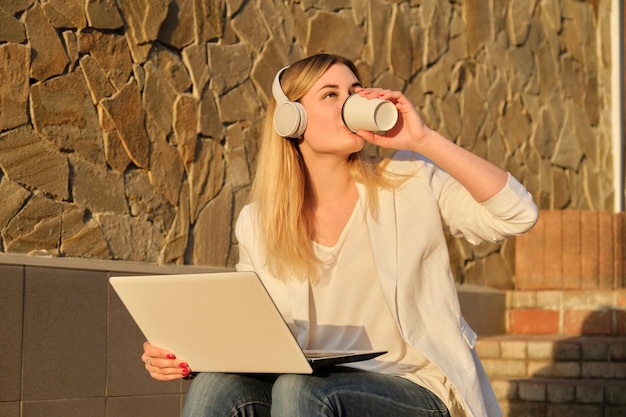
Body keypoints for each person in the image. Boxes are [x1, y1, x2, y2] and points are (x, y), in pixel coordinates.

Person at [141, 53, 538, 417]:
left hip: (417, 391)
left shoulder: (410, 179)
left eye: (354, 91)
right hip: (309, 389)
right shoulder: (258, 222)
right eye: (331, 94)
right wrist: (189, 354)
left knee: (302, 391)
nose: (349, 104)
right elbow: (261, 331)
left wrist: (423, 140)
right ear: (291, 120)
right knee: (217, 387)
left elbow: (517, 214)